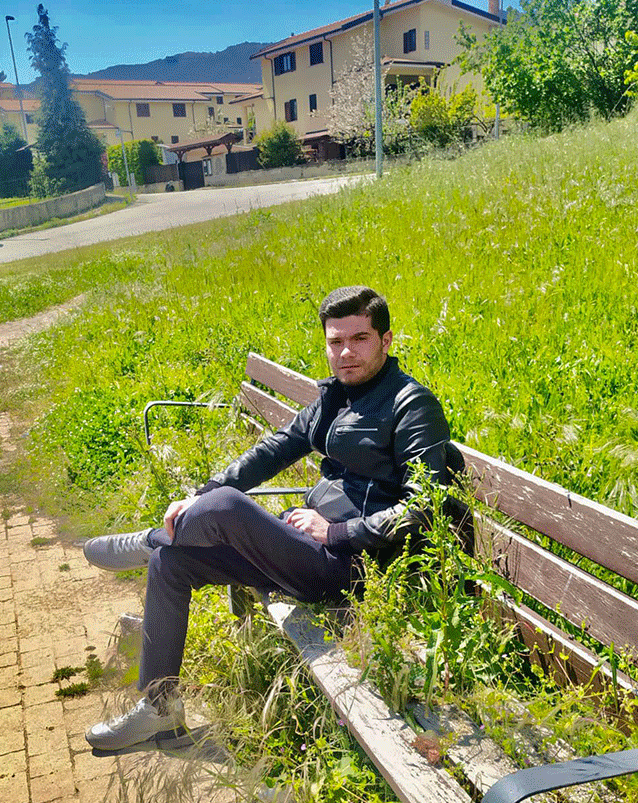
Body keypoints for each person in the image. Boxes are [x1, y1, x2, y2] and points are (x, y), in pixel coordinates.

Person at [83, 286, 455, 751]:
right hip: (302, 550)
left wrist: (336, 531)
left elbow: (423, 506)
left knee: (225, 506)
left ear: (386, 340)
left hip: (351, 565)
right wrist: (199, 493)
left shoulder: (411, 405)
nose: (346, 352)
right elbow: (274, 450)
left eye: (359, 339)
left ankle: (151, 539)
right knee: (172, 562)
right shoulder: (335, 398)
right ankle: (160, 708)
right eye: (336, 341)